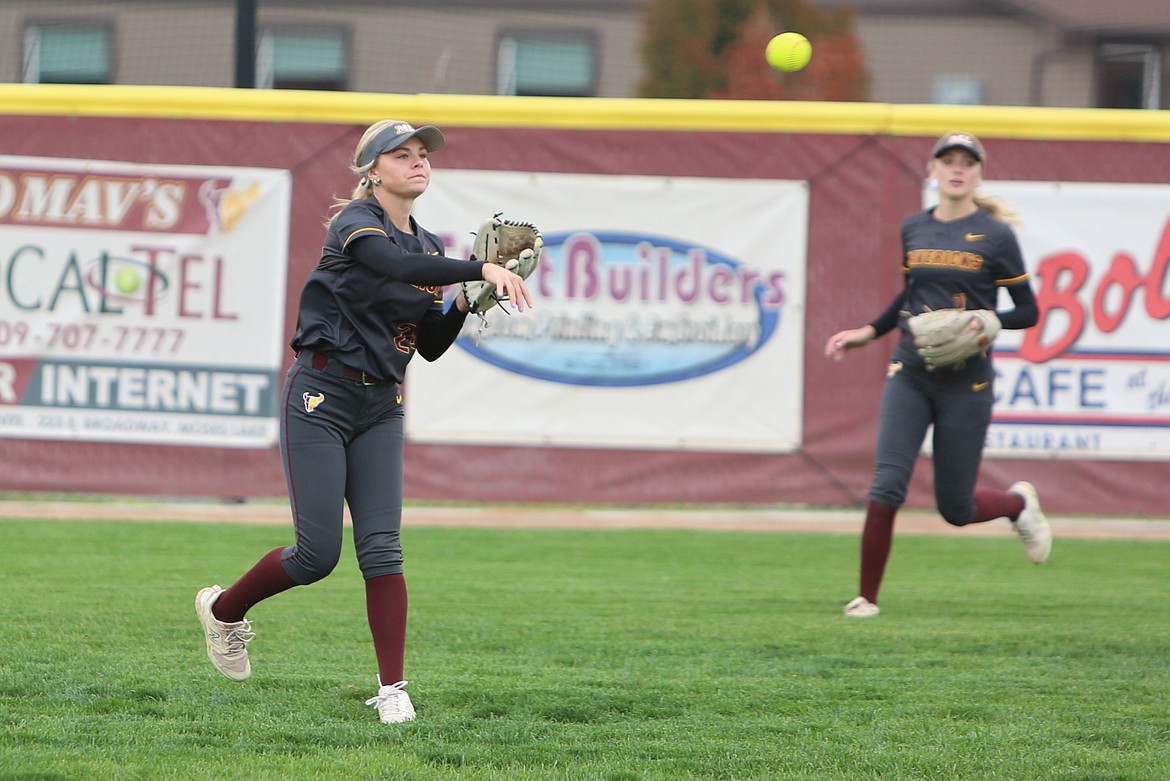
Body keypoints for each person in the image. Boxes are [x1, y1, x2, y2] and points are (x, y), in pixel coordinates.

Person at [195, 119, 532, 722]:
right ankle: (224, 611)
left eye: (423, 154)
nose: (418, 162)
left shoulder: (429, 247)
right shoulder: (355, 225)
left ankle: (393, 688)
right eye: (401, 155)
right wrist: (477, 271)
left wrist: (465, 302)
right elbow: (394, 269)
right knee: (316, 556)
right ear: (372, 171)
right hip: (321, 395)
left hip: (381, 405)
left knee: (383, 549)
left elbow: (427, 344)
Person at [824, 131, 1051, 619]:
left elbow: (1028, 311)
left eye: (967, 162)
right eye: (947, 160)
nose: (957, 168)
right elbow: (909, 298)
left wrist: (994, 320)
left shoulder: (995, 235)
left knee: (956, 509)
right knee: (887, 483)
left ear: (978, 174)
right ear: (931, 171)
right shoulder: (914, 228)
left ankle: (1016, 506)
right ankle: (867, 597)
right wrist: (869, 331)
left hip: (966, 380)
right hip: (911, 370)